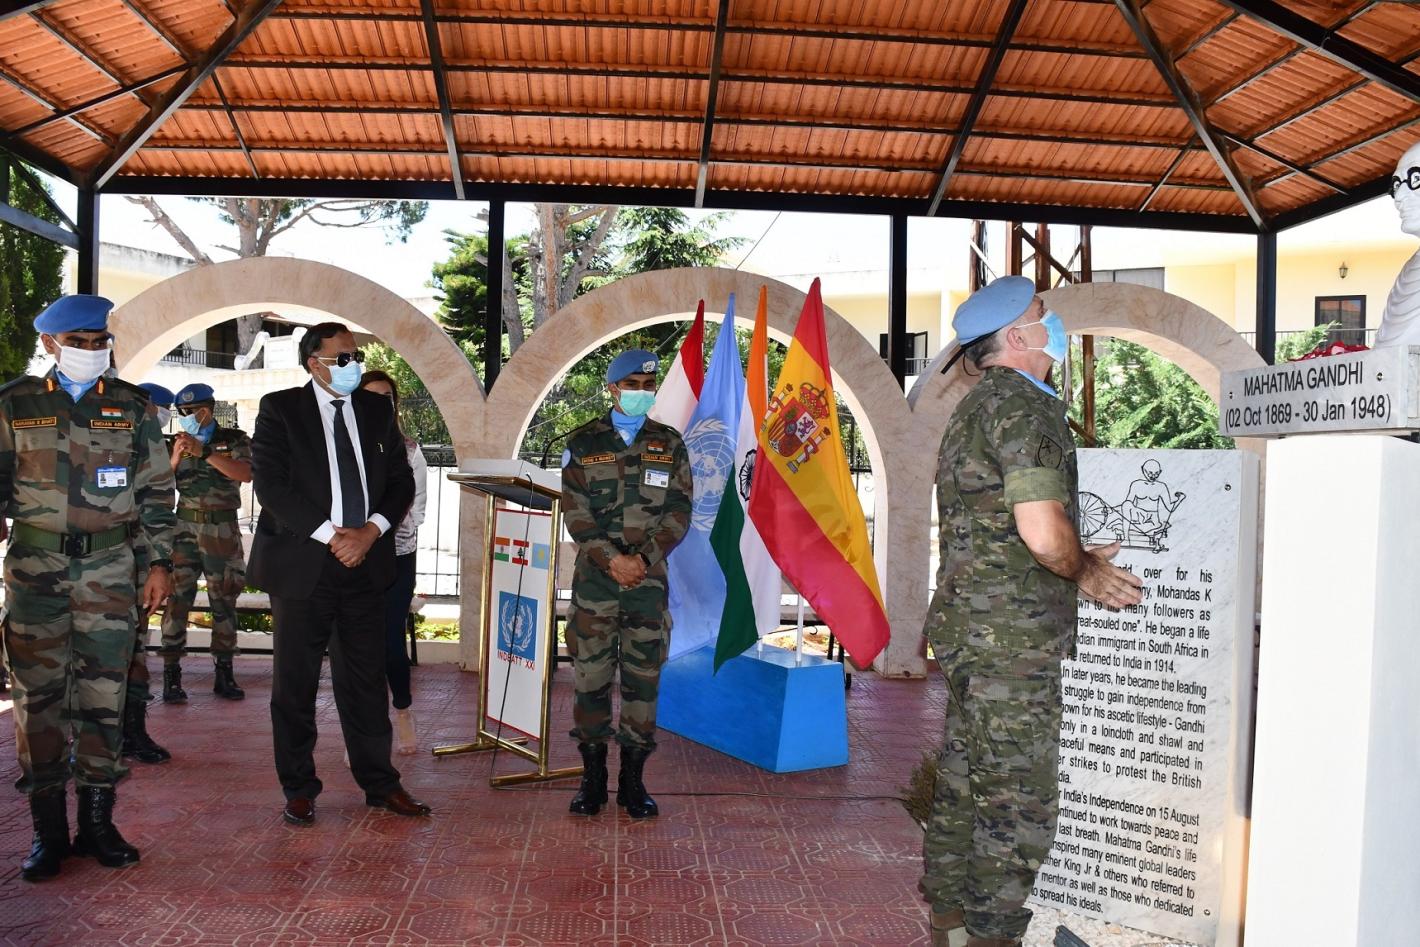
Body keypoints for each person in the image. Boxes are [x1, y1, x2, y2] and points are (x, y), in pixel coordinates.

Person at [921, 277, 1142, 947]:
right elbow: (1042, 535)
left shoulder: (977, 406)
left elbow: (997, 526)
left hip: (971, 629)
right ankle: (992, 935)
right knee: (1018, 802)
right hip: (1009, 642)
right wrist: (1086, 570)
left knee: (964, 783)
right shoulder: (1025, 407)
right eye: (1043, 314)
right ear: (1018, 337)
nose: (1054, 322)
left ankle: (949, 923)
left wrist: (1074, 552)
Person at [0, 294, 176, 881]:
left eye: (101, 342)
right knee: (38, 702)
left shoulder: (132, 406)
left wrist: (159, 565)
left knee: (104, 698)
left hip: (108, 571)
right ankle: (48, 833)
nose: (92, 351)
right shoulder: (15, 403)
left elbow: (156, 493)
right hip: (35, 574)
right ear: (50, 343)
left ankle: (98, 825)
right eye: (79, 343)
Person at [248, 322, 428, 827]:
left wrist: (369, 532)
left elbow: (400, 482)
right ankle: (299, 789)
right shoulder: (281, 409)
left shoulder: (375, 410)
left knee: (366, 681)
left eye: (356, 356)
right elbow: (272, 487)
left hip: (366, 565)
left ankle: (380, 784)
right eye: (342, 358)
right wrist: (334, 537)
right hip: (303, 565)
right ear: (314, 363)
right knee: (295, 684)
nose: (353, 364)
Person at [560, 348, 692, 819]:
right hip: (595, 585)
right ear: (613, 388)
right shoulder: (583, 442)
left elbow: (679, 510)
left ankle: (633, 782)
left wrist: (643, 559)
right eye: (632, 385)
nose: (641, 393)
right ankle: (592, 779)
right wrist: (612, 559)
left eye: (647, 386)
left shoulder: (669, 443)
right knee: (591, 681)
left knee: (643, 682)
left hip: (647, 586)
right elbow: (575, 512)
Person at [157, 383, 251, 703]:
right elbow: (159, 484)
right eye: (180, 412)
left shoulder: (234, 440)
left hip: (221, 531)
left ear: (204, 411)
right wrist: (175, 456)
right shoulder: (173, 442)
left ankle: (224, 673)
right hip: (183, 531)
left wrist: (205, 453)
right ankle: (171, 675)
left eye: (188, 412)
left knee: (223, 601)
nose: (183, 417)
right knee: (176, 601)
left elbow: (245, 474)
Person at [358, 370, 426, 755]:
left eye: (386, 397)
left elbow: (417, 510)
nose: (379, 404)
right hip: (352, 557)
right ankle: (364, 726)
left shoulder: (410, 450)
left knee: (389, 640)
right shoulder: (343, 447)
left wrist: (379, 528)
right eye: (371, 396)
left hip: (397, 557)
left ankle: (402, 712)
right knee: (356, 643)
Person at [119, 382, 177, 765]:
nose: (159, 416)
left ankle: (134, 732)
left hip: (142, 560)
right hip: (105, 559)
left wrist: (160, 562)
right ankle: (89, 740)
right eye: (158, 408)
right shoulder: (113, 440)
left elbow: (160, 496)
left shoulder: (155, 444)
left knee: (135, 647)